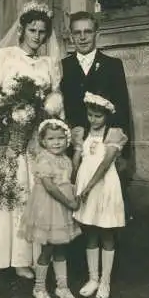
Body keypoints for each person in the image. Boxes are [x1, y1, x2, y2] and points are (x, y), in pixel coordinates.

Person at [0, 1, 64, 279]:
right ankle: (5, 256)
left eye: (42, 31)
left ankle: (29, 258)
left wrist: (46, 114)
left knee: (32, 196)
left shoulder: (49, 63)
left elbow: (54, 102)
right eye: (32, 30)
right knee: (10, 195)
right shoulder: (3, 56)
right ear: (22, 29)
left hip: (35, 139)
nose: (37, 36)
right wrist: (12, 117)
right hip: (10, 137)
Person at [60, 11, 133, 216]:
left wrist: (122, 155)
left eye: (87, 32)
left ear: (96, 34)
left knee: (103, 209)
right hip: (73, 150)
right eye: (77, 33)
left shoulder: (112, 65)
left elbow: (122, 110)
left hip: (103, 151)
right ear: (71, 36)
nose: (82, 37)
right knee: (76, 206)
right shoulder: (62, 67)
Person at [18, 118, 81, 298]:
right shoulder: (43, 159)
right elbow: (50, 187)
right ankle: (39, 288)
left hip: (62, 209)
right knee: (47, 249)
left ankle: (62, 286)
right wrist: (70, 203)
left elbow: (70, 178)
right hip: (49, 207)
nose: (56, 142)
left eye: (61, 138)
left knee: (61, 247)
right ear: (43, 141)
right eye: (51, 139)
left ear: (66, 139)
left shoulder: (65, 159)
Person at [72, 92, 128, 298]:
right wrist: (74, 183)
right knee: (90, 232)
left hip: (103, 186)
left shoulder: (113, 134)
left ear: (107, 116)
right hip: (85, 185)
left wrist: (89, 186)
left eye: (98, 116)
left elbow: (105, 164)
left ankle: (105, 281)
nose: (93, 120)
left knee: (106, 232)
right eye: (90, 115)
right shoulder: (82, 133)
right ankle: (93, 278)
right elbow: (77, 160)